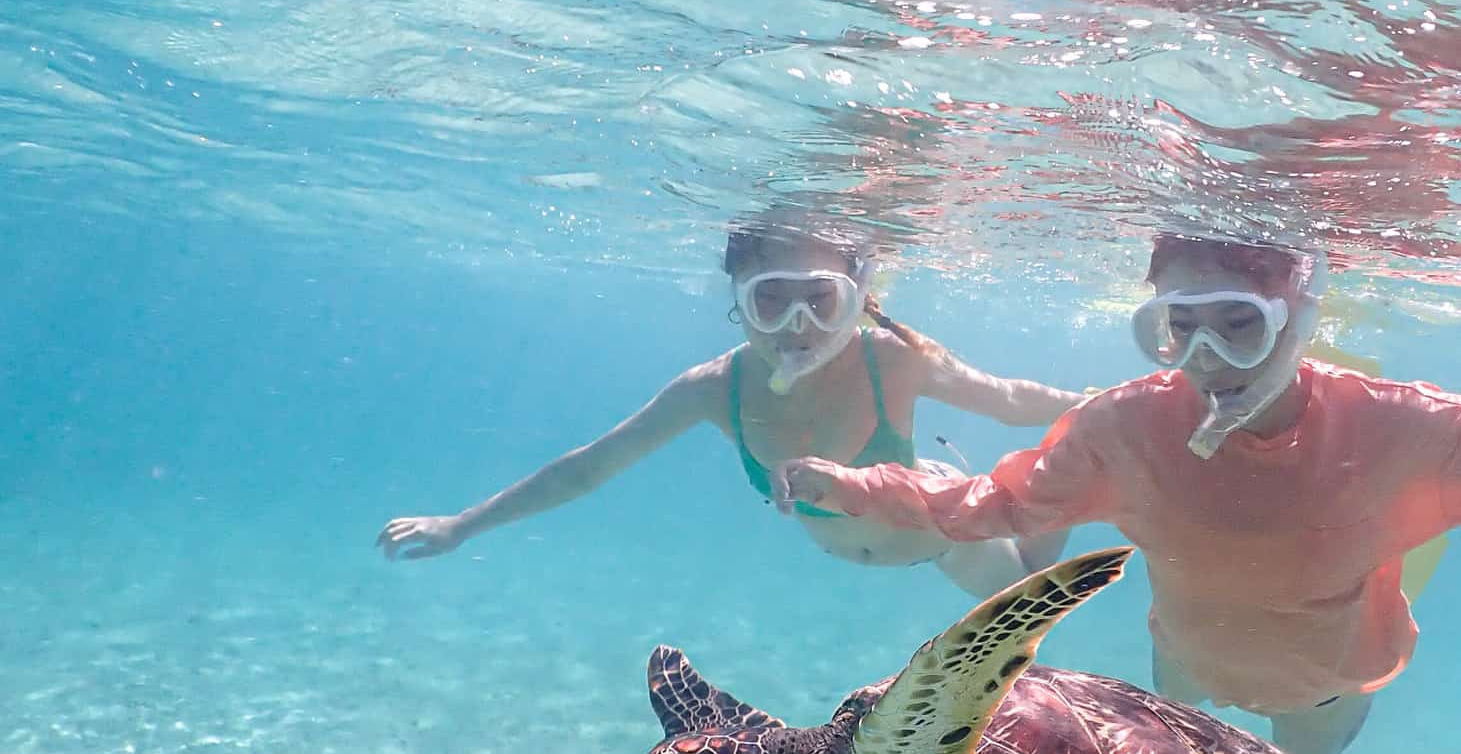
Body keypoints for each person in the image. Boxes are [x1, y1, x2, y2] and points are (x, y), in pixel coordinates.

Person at [772, 229, 1461, 754]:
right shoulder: (1123, 424)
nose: (1204, 359)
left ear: (1302, 319)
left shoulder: (1407, 427)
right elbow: (988, 505)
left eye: (1239, 325)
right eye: (1177, 328)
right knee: (1184, 748)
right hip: (1186, 654)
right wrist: (861, 486)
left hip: (1332, 679)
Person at [377, 222, 1082, 596]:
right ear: (737, 302)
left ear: (855, 297)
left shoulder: (890, 359)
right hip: (872, 548)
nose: (795, 325)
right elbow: (590, 468)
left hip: (945, 538)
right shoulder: (713, 388)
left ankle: (1052, 493)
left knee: (1035, 604)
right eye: (769, 300)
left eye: (820, 299)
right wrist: (462, 525)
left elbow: (1013, 399)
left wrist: (1106, 409)